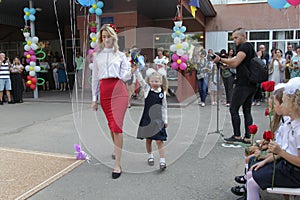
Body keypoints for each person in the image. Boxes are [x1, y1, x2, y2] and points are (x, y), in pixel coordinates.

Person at [246, 77, 300, 200]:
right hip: (287, 166)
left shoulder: (298, 129)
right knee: (252, 173)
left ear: (294, 106)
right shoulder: (291, 124)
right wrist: (266, 160)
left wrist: (279, 152)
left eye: (284, 102)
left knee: (252, 182)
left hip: (294, 173)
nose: (282, 105)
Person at [91, 24, 133, 179]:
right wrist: (94, 99)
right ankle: (117, 149)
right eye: (103, 37)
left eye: (108, 36)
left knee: (117, 126)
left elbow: (125, 76)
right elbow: (95, 78)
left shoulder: (121, 55)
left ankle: (117, 164)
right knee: (111, 125)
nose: (106, 39)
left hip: (118, 90)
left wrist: (129, 71)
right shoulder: (97, 56)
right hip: (105, 91)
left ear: (113, 37)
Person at [213, 27, 257, 144]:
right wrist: (227, 64)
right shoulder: (250, 47)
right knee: (247, 110)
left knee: (234, 109)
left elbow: (236, 62)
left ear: (244, 36)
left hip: (244, 84)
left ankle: (237, 136)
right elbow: (238, 64)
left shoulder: (244, 47)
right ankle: (247, 137)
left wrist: (221, 59)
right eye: (233, 38)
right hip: (250, 83)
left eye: (236, 37)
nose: (234, 40)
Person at [135, 68, 168, 170]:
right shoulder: (147, 90)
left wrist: (165, 120)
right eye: (152, 81)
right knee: (148, 139)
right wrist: (136, 71)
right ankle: (150, 156)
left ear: (161, 82)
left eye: (157, 81)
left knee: (159, 140)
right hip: (147, 119)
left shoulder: (162, 93)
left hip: (158, 120)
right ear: (149, 81)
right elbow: (141, 80)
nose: (154, 83)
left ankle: (162, 160)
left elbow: (164, 107)